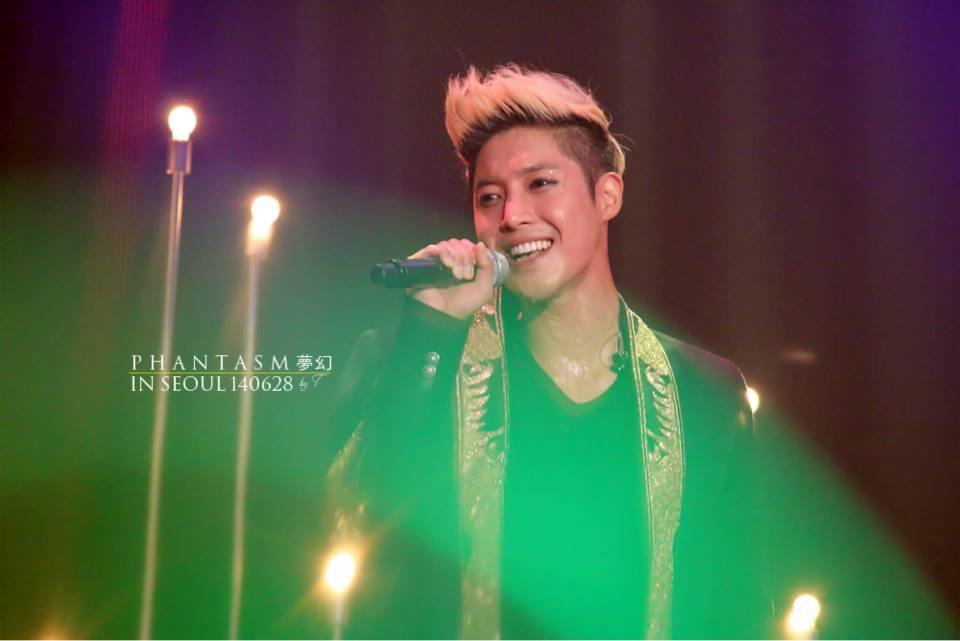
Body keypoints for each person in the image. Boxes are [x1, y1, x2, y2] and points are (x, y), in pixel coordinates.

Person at [325, 64, 770, 639]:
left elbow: (737, 606)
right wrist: (430, 334)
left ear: (606, 195)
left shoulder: (702, 391)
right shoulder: (418, 358)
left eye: (540, 184)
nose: (512, 216)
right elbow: (363, 526)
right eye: (490, 197)